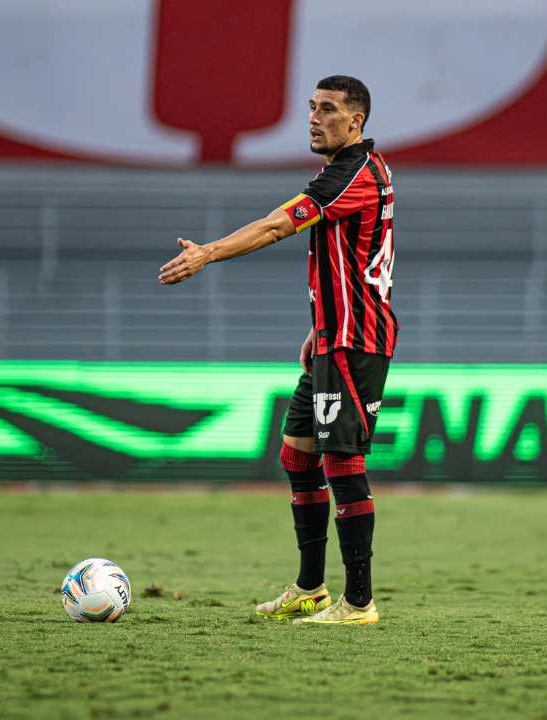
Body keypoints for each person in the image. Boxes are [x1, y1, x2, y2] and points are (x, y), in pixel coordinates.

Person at [159, 75, 396, 626]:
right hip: (334, 335)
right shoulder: (357, 170)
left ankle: (358, 603)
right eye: (311, 107)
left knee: (342, 461)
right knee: (297, 454)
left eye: (328, 109)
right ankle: (310, 589)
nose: (314, 117)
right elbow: (360, 257)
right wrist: (321, 323)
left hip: (355, 342)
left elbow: (274, 227)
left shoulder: (350, 175)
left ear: (355, 121)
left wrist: (207, 254)